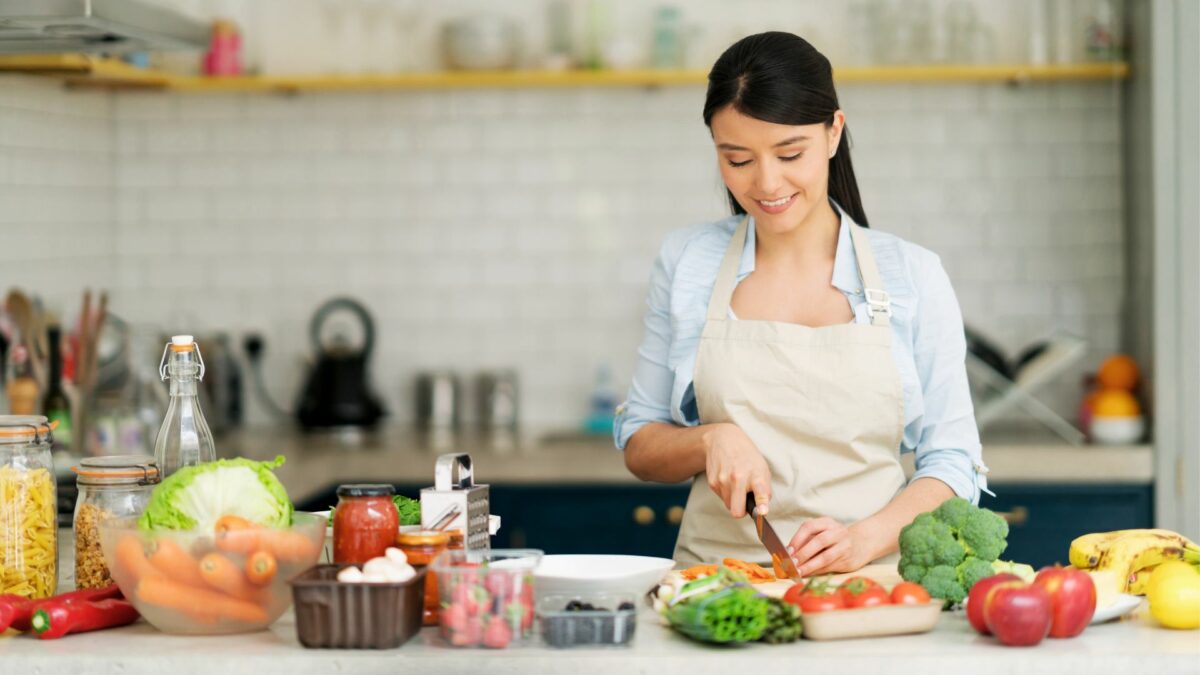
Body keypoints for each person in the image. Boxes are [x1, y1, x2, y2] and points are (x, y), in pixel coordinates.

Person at [614, 32, 988, 575]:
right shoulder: (688, 262)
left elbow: (954, 463)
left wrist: (865, 540)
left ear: (834, 132)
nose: (767, 183)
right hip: (718, 591)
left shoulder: (913, 275)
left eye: (790, 154)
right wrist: (709, 440)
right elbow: (641, 444)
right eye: (737, 159)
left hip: (868, 590)